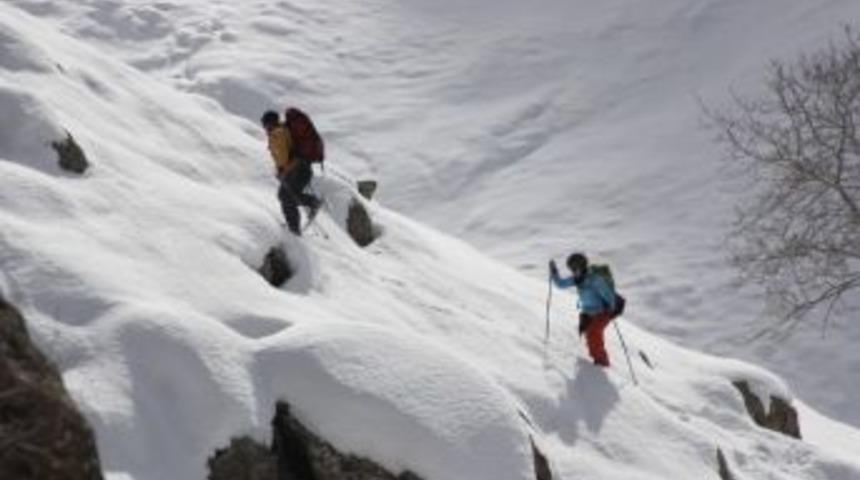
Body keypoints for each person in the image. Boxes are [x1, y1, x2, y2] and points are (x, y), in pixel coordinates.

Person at [550, 252, 619, 367]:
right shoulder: (577, 279)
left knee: (593, 334)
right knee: (591, 337)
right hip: (588, 313)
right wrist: (554, 272)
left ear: (582, 266)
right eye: (571, 269)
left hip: (601, 313)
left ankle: (602, 362)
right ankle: (598, 362)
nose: (573, 271)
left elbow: (609, 295)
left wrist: (610, 308)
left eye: (575, 268)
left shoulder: (595, 280)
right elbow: (561, 284)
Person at [261, 110, 320, 235]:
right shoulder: (285, 130)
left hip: (296, 170)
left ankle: (296, 226)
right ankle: (294, 226)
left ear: (269, 124)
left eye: (265, 125)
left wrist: (281, 169)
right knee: (285, 197)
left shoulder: (277, 133)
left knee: (285, 197)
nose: (265, 129)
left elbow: (282, 157)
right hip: (302, 169)